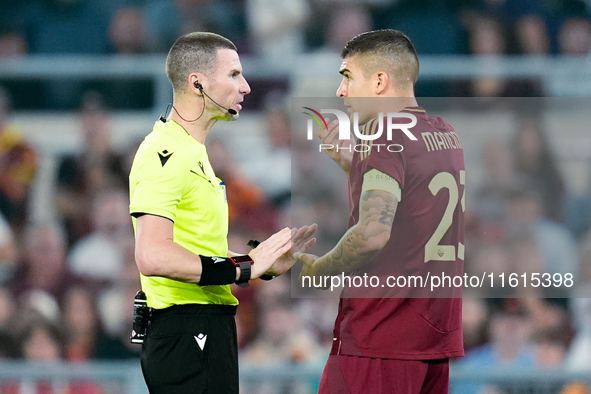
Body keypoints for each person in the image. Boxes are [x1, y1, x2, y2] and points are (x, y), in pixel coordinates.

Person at [128, 32, 316, 394]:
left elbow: (191, 247)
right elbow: (152, 255)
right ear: (197, 83)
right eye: (233, 75)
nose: (245, 86)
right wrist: (244, 267)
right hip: (185, 327)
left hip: (204, 325)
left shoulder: (193, 152)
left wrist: (255, 262)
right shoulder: (164, 151)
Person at [295, 29, 465, 393]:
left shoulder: (384, 136)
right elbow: (411, 206)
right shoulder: (444, 134)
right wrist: (353, 164)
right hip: (430, 339)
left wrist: (321, 270)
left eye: (347, 77)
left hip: (380, 337)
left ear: (379, 81)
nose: (340, 92)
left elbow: (373, 233)